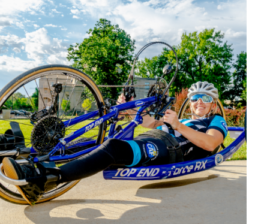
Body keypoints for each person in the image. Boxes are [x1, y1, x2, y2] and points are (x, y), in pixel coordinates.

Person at [2, 81, 228, 205]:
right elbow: (149, 123)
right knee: (91, 143)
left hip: (171, 149)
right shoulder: (183, 119)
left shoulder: (215, 120)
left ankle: (44, 181)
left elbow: (210, 144)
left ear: (212, 103)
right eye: (195, 98)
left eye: (205, 98)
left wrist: (178, 126)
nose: (199, 102)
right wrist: (130, 110)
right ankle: (25, 156)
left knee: (112, 148)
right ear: (190, 102)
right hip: (154, 140)